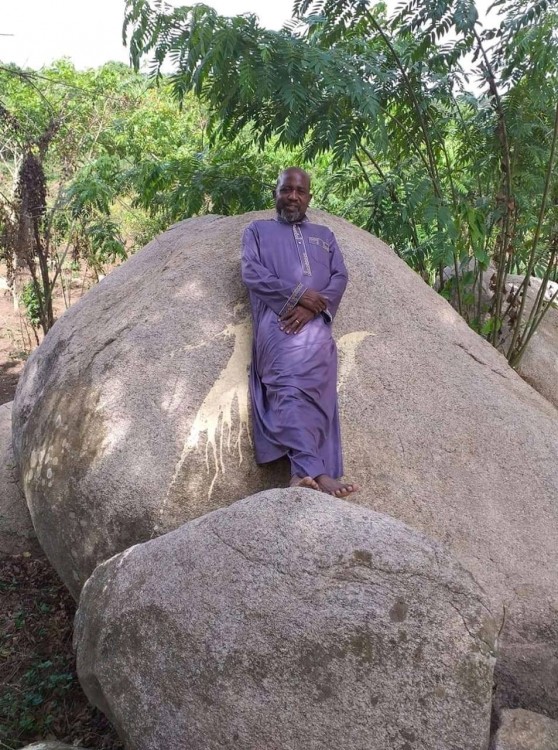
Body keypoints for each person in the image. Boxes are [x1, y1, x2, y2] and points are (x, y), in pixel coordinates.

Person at [241, 167, 358, 497]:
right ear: (276, 193)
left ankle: (301, 475)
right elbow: (252, 272)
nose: (293, 196)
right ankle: (314, 472)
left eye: (300, 191)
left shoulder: (325, 235)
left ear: (309, 197)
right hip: (278, 325)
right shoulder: (257, 231)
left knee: (318, 396)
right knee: (288, 388)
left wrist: (311, 307)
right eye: (286, 190)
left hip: (316, 329)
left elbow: (339, 277)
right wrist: (297, 295)